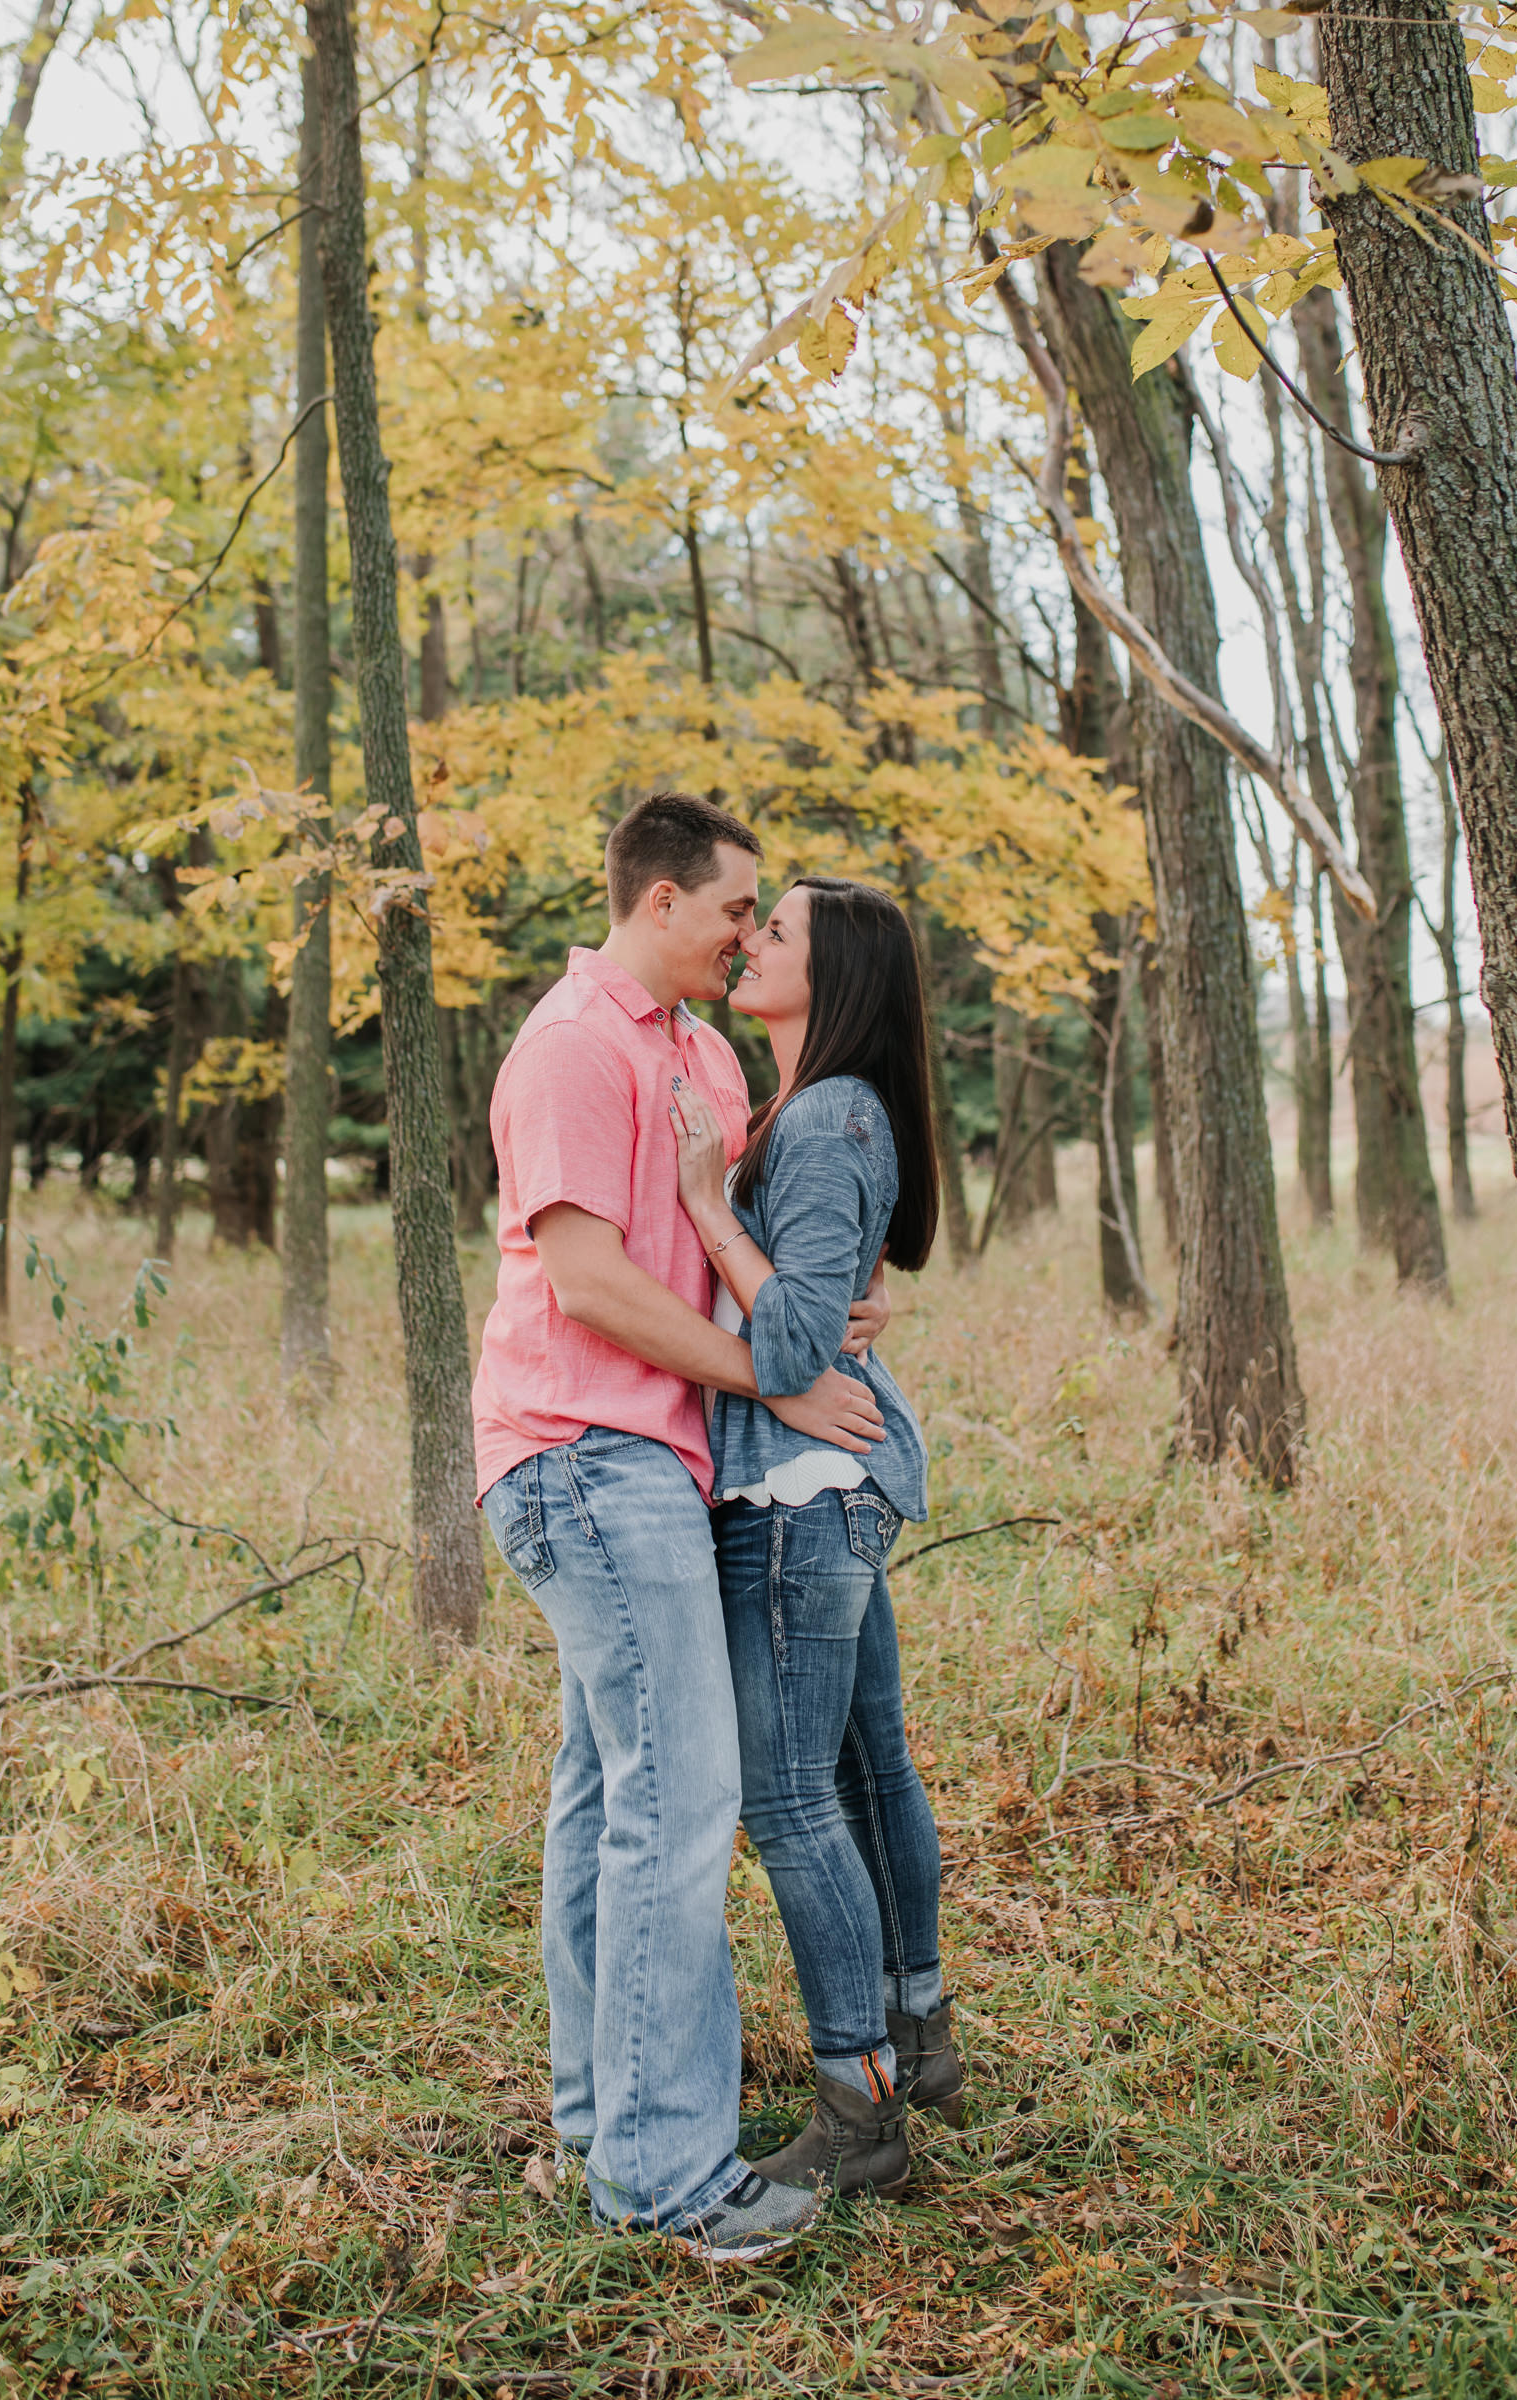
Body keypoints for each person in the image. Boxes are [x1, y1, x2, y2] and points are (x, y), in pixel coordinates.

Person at [472, 793, 891, 2262]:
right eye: (732, 909)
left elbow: (738, 1245)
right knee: (682, 1797)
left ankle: (604, 2117)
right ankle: (667, 2178)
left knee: (609, 1793)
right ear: (659, 905)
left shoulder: (702, 1052)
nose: (744, 933)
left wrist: (824, 1312)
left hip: (661, 1462)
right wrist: (774, 1377)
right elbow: (589, 1285)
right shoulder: (571, 1049)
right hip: (583, 1456)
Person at [671, 875, 965, 2199]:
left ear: (830, 977)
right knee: (861, 1771)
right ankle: (919, 2034)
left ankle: (861, 2109)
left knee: (794, 1797)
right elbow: (819, 1304)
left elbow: (788, 1345)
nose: (748, 942)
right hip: (829, 1480)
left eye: (773, 931)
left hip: (802, 1495)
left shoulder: (827, 1115)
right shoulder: (811, 1112)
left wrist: (710, 1209)